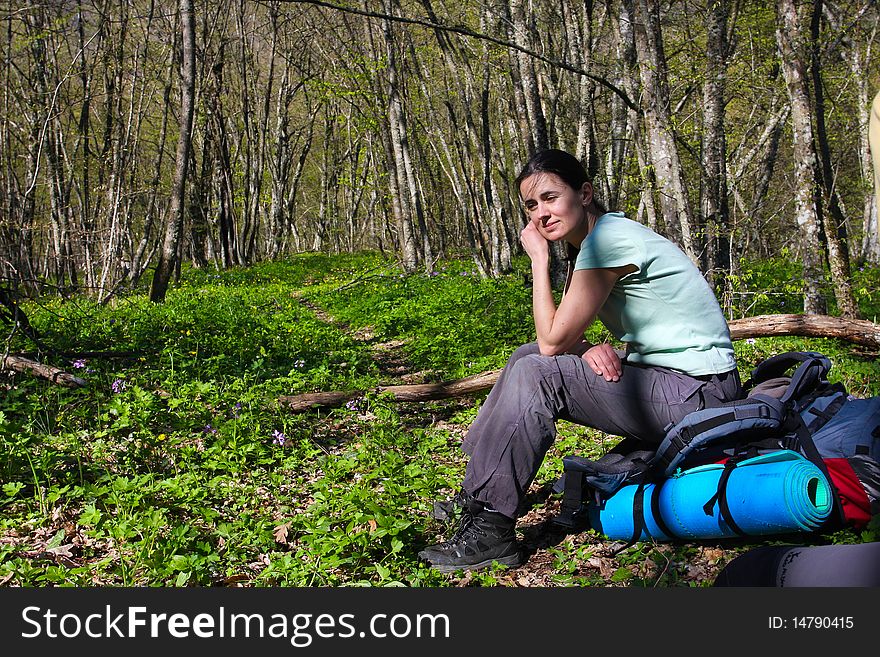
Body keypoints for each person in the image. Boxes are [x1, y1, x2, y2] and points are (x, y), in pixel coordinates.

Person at [418, 148, 742, 573]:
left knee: (539, 370)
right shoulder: (595, 241)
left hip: (700, 396)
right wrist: (587, 347)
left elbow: (553, 342)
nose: (541, 214)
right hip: (672, 383)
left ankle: (492, 529)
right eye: (531, 206)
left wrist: (538, 261)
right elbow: (561, 336)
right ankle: (475, 495)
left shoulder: (608, 241)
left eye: (551, 197)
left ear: (584, 193)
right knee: (524, 356)